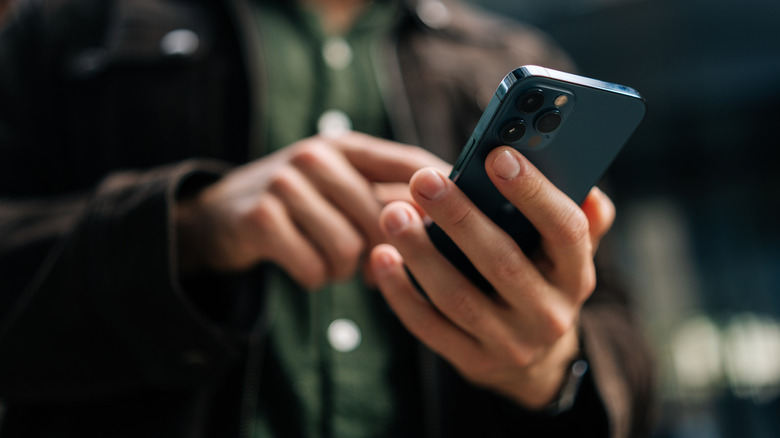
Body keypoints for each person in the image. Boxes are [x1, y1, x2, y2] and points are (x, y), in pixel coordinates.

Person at [0, 0, 655, 436]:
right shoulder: (66, 30)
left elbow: (630, 351)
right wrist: (193, 226)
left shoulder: (501, 56)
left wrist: (551, 368)